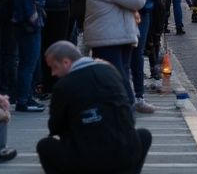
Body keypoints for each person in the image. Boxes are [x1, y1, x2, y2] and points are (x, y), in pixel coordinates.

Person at [38, 41, 152, 174]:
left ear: (66, 62)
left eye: (54, 67)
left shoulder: (63, 86)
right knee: (144, 135)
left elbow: (55, 127)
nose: (53, 73)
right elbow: (130, 118)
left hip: (86, 162)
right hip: (123, 155)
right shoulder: (111, 72)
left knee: (45, 145)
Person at [84, 0, 147, 107]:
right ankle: (125, 107)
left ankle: (121, 108)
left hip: (112, 34)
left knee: (118, 73)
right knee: (117, 75)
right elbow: (135, 1)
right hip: (109, 36)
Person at [124, 0, 161, 112]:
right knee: (128, 51)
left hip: (146, 7)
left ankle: (139, 95)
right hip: (129, 9)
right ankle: (127, 95)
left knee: (139, 50)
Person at [11, 0, 48, 112]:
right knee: (29, 61)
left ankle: (26, 97)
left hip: (30, 19)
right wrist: (32, 17)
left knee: (29, 61)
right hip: (30, 21)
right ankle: (24, 99)